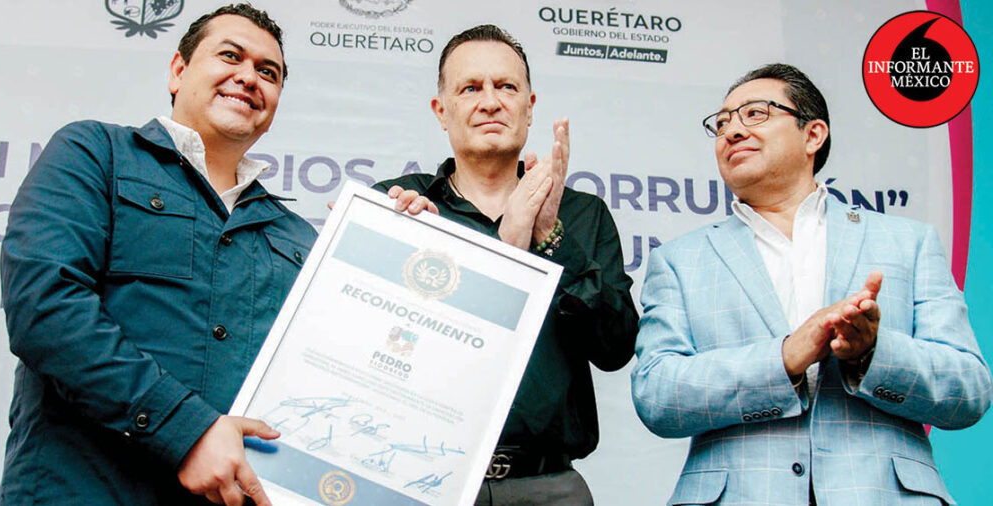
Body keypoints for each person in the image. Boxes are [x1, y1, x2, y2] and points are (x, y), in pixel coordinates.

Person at [631, 63, 992, 505]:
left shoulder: (908, 243)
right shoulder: (679, 261)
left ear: (813, 135)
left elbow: (968, 390)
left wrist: (871, 353)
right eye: (721, 124)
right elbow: (657, 395)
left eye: (756, 113)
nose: (732, 131)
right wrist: (784, 358)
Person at [0, 4, 315, 505]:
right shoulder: (94, 153)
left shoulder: (298, 236)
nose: (248, 77)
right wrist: (187, 429)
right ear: (178, 70)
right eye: (230, 56)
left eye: (268, 72)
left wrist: (402, 234)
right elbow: (45, 306)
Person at [375, 24, 639, 505]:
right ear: (441, 110)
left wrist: (551, 239)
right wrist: (401, 244)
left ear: (529, 106)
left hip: (550, 487)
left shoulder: (582, 215)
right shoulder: (402, 205)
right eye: (470, 88)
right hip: (418, 475)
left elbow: (615, 347)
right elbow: (361, 339)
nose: (490, 102)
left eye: (506, 87)